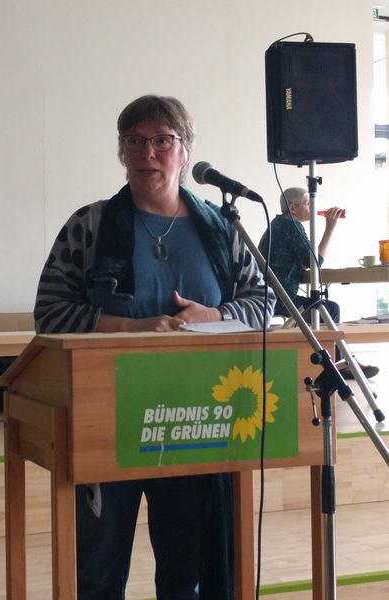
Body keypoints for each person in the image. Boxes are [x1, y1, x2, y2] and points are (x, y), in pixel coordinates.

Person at [34, 94, 276, 599]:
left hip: (196, 421)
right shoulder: (90, 226)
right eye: (135, 141)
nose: (148, 153)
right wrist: (133, 328)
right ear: (122, 152)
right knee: (98, 574)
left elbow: (263, 302)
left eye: (163, 141)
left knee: (187, 573)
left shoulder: (223, 229)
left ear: (185, 152)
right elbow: (51, 312)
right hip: (107, 419)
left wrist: (216, 315)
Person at [258, 186, 379, 380]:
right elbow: (315, 262)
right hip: (280, 301)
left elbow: (299, 260)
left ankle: (335, 362)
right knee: (330, 310)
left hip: (267, 298)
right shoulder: (291, 225)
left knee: (323, 310)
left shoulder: (278, 225)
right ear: (293, 208)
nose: (312, 208)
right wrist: (330, 229)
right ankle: (339, 366)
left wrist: (298, 264)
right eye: (307, 204)